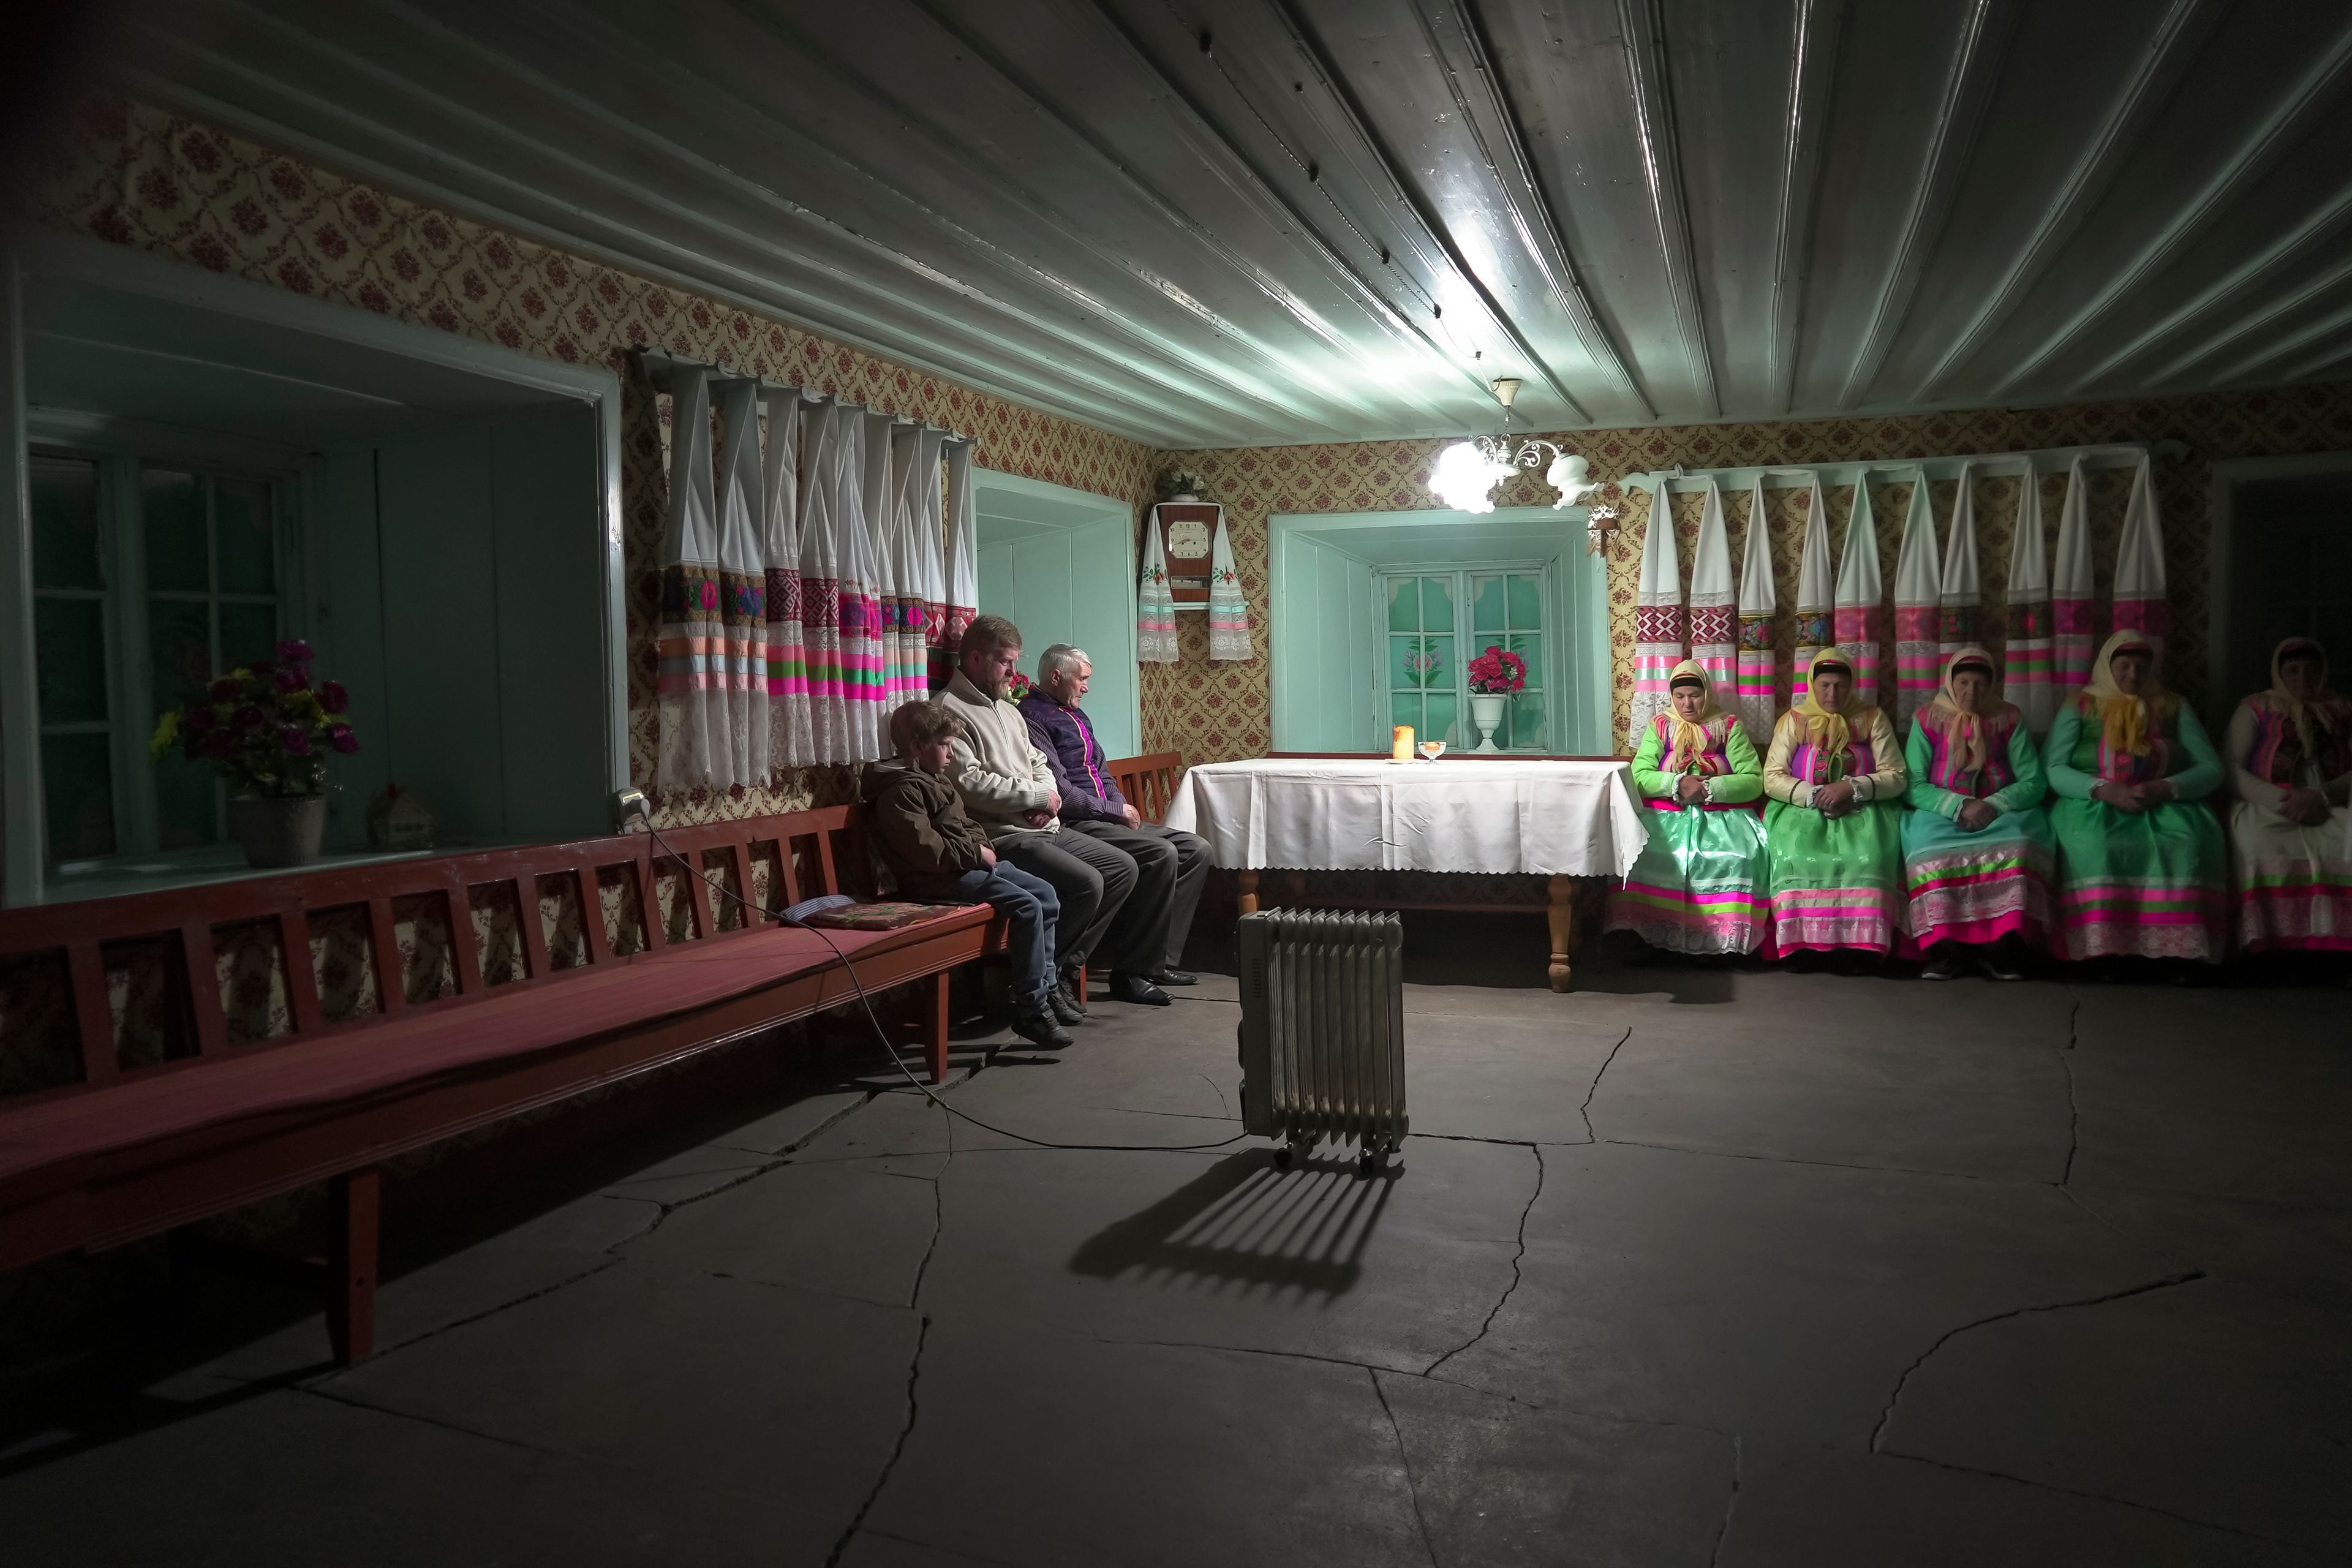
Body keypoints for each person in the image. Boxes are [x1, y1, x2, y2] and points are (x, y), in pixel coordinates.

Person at [935, 614, 1170, 1016]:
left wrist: (1045, 796)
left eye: (1014, 661)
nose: (1013, 672)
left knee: (1123, 869)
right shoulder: (948, 709)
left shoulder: (1008, 710)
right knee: (1088, 883)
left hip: (1045, 825)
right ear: (974, 659)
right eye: (1005, 662)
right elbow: (969, 783)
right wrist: (1036, 797)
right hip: (1001, 835)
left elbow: (1038, 760)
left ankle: (1061, 970)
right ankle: (1041, 982)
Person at [865, 700, 1070, 1049]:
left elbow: (967, 824)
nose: (950, 754)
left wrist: (981, 847)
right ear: (917, 748)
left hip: (970, 865)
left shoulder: (933, 779)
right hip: (938, 880)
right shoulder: (901, 791)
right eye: (944, 746)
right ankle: (1031, 1007)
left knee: (1047, 895)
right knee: (1027, 906)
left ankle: (1047, 988)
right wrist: (976, 853)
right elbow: (925, 850)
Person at [1020, 643, 1208, 987]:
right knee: (1160, 853)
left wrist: (1122, 805)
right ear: (1056, 676)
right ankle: (1133, 972)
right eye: (1082, 679)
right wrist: (1112, 811)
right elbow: (1060, 790)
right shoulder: (1032, 717)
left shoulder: (1077, 714)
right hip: (1079, 822)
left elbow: (1101, 771)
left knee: (1195, 849)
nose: (1087, 687)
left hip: (1106, 817)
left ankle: (1160, 960)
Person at [2044, 630, 2226, 971]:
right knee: (2097, 845)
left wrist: (2166, 787)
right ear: (2107, 666)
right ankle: (2102, 954)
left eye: (2142, 667)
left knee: (2187, 843)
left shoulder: (2173, 705)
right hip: (2094, 804)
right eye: (2124, 666)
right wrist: (2103, 789)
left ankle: (2178, 955)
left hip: (2165, 802)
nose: (2133, 675)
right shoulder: (2081, 705)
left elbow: (2212, 768)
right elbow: (2053, 767)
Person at [1901, 647, 2056, 981]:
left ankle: (2001, 950)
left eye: (1980, 685)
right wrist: (1958, 805)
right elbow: (1911, 784)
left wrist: (1994, 805)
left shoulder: (2009, 718)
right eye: (1964, 683)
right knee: (1930, 851)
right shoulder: (1927, 718)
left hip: (2000, 811)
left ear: (1993, 686)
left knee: (2018, 847)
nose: (1972, 692)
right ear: (1950, 683)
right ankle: (1945, 952)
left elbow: (2034, 781)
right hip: (1941, 811)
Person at [1604, 660, 1771, 956]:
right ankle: (1641, 941)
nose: (1687, 704)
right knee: (1640, 853)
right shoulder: (1661, 725)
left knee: (1738, 856)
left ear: (1706, 693)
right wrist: (1677, 784)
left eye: (1694, 695)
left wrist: (1709, 789)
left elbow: (1753, 780)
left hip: (1722, 818)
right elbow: (1639, 775)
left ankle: (1720, 947)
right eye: (1680, 696)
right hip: (1666, 815)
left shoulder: (1728, 726)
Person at [1760, 647, 1909, 962]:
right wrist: (1814, 794)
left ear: (1852, 685)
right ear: (1812, 685)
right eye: (1825, 685)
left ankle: (1860, 951)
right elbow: (1773, 776)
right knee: (1794, 856)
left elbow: (1896, 775)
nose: (1832, 693)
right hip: (1801, 811)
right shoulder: (1794, 720)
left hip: (1865, 811)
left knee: (1869, 858)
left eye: (1840, 685)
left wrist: (1852, 788)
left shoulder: (1871, 718)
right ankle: (1803, 949)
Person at [2224, 635, 2352, 964]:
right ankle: (2269, 950)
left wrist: (2322, 795)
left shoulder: (2343, 709)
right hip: (2270, 802)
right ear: (2279, 674)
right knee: (2257, 839)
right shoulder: (2256, 708)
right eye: (2293, 671)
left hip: (2335, 800)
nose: (2303, 678)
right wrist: (2282, 800)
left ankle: (2336, 948)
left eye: (2312, 670)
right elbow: (2231, 768)